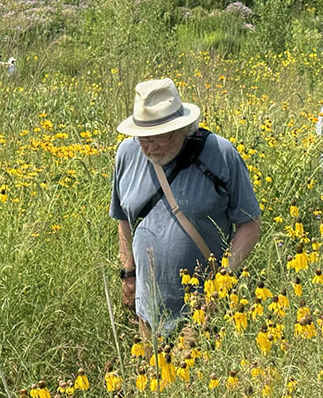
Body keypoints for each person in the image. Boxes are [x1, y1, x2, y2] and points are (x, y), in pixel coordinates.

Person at [110, 78, 261, 335]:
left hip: (206, 312)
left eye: (160, 136)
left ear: (183, 127)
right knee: (152, 374)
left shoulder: (220, 154)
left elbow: (250, 224)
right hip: (148, 314)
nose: (149, 145)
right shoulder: (127, 153)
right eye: (143, 136)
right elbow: (123, 218)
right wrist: (128, 273)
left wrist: (221, 283)